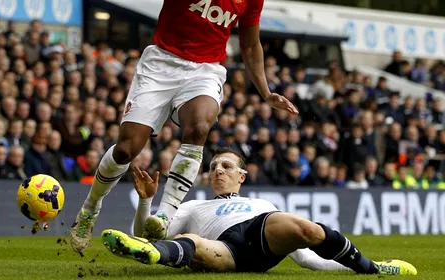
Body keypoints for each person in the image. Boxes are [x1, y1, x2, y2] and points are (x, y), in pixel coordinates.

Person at [70, 0, 298, 254]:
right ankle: (90, 209)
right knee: (126, 149)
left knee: (199, 127)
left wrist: (266, 93)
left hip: (205, 70)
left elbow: (250, 43)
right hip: (161, 63)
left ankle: (165, 214)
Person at [101, 148, 417, 275]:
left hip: (260, 233)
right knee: (190, 242)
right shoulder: (192, 205)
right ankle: (152, 256)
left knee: (307, 230)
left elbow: (307, 258)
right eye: (213, 167)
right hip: (225, 249)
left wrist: (347, 269)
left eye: (226, 166)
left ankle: (372, 268)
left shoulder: (262, 206)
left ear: (242, 176)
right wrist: (145, 202)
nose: (217, 171)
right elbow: (146, 234)